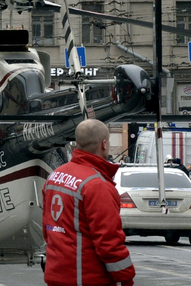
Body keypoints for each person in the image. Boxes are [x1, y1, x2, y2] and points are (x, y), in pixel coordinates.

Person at [42, 119, 135, 286]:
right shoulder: (97, 185)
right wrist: (126, 277)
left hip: (56, 275)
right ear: (104, 144)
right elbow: (109, 242)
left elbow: (47, 228)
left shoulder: (54, 176)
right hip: (87, 278)